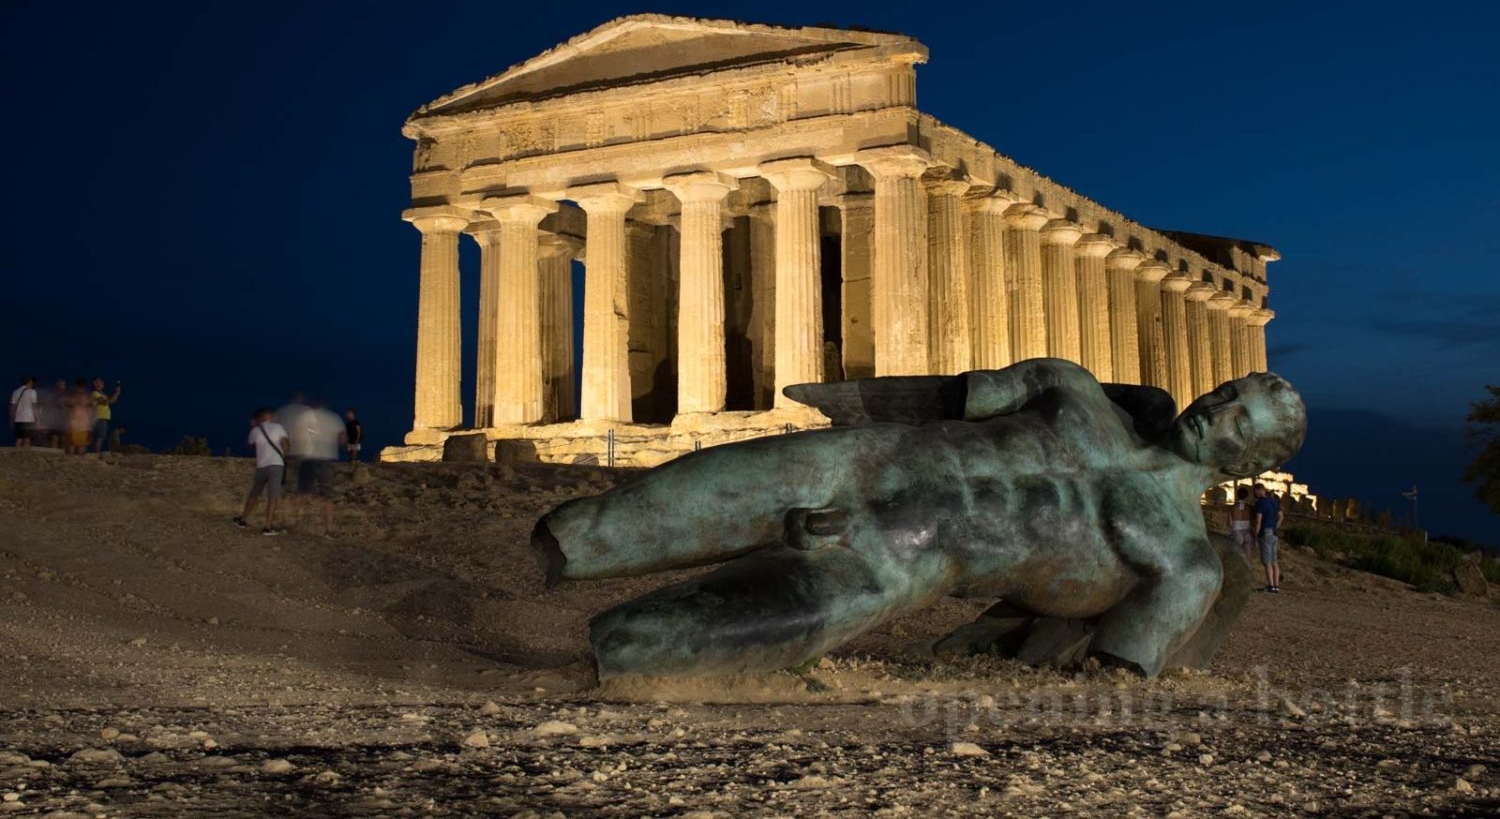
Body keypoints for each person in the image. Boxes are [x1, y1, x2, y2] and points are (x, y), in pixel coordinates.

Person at [536, 360, 1307, 680]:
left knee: (631, 650)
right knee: (581, 530)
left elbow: (1111, 673)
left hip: (891, 562)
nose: (1219, 410)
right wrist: (836, 398)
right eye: (1228, 392)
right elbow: (938, 399)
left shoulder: (1186, 560)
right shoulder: (1071, 387)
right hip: (850, 463)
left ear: (1251, 463)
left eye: (1244, 420)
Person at [291, 400, 345, 535]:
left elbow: (298, 435)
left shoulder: (306, 416)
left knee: (303, 492)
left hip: (310, 458)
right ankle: (328, 529)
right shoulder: (334, 418)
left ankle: (294, 522)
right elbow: (343, 438)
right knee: (327, 496)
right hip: (327, 460)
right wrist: (331, 446)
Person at [238, 408, 289, 535]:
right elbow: (286, 444)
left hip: (261, 465)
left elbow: (249, 445)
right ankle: (267, 527)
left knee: (254, 494)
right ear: (268, 416)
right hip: (276, 465)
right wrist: (283, 456)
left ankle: (243, 520)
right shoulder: (278, 427)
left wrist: (254, 428)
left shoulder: (255, 430)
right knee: (273, 497)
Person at [1252, 482, 1284, 593]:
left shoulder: (1260, 503)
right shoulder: (1273, 501)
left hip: (1265, 533)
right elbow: (1281, 517)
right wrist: (1275, 527)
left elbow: (1258, 521)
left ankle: (1271, 586)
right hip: (1274, 533)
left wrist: (1255, 536)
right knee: (1274, 561)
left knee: (1267, 562)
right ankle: (1276, 586)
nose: (1254, 494)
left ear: (1259, 490)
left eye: (1255, 491)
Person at [90, 377, 122, 453]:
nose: (100, 384)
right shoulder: (94, 393)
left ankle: (94, 453)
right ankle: (96, 453)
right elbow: (105, 402)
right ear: (94, 384)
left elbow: (112, 400)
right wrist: (115, 394)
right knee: (99, 437)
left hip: (102, 417)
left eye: (101, 382)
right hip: (99, 416)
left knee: (100, 436)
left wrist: (117, 393)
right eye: (98, 382)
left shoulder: (102, 394)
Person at [65, 379, 93, 456]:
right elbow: (91, 411)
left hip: (73, 422)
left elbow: (66, 406)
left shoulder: (72, 396)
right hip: (83, 423)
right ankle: (80, 461)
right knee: (82, 444)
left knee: (72, 443)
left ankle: (71, 461)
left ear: (76, 386)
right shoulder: (87, 397)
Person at [9, 377, 38, 448]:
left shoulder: (15, 392)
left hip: (18, 419)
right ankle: (26, 457)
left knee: (18, 440)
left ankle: (15, 456)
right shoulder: (32, 392)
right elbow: (34, 406)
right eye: (32, 382)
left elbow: (12, 407)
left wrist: (12, 419)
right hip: (29, 418)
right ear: (30, 382)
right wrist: (37, 418)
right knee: (27, 440)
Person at [1230, 485, 1255, 560]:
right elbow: (1253, 521)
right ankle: (1249, 570)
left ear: (1237, 495)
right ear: (1246, 496)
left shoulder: (1232, 507)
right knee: (1248, 555)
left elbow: (1229, 523)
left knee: (1236, 556)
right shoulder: (1250, 508)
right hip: (1247, 532)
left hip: (1237, 532)